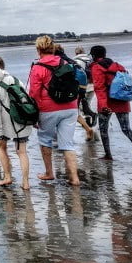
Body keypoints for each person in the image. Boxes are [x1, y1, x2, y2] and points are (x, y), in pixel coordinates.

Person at [29, 35, 80, 185]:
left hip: (48, 108)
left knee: (45, 140)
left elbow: (34, 93)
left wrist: (35, 113)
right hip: (71, 106)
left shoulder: (38, 67)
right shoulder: (66, 62)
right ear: (53, 48)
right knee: (68, 144)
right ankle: (75, 178)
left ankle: (49, 173)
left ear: (38, 50)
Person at [89, 45, 132, 165]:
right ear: (104, 54)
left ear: (94, 56)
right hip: (122, 100)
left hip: (107, 103)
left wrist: (104, 105)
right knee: (126, 129)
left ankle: (108, 155)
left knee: (103, 130)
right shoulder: (117, 66)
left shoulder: (96, 67)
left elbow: (100, 88)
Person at [0, 56, 32, 189]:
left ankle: (7, 177)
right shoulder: (16, 80)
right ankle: (25, 182)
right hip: (21, 121)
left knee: (1, 148)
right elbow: (26, 98)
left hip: (4, 123)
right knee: (22, 152)